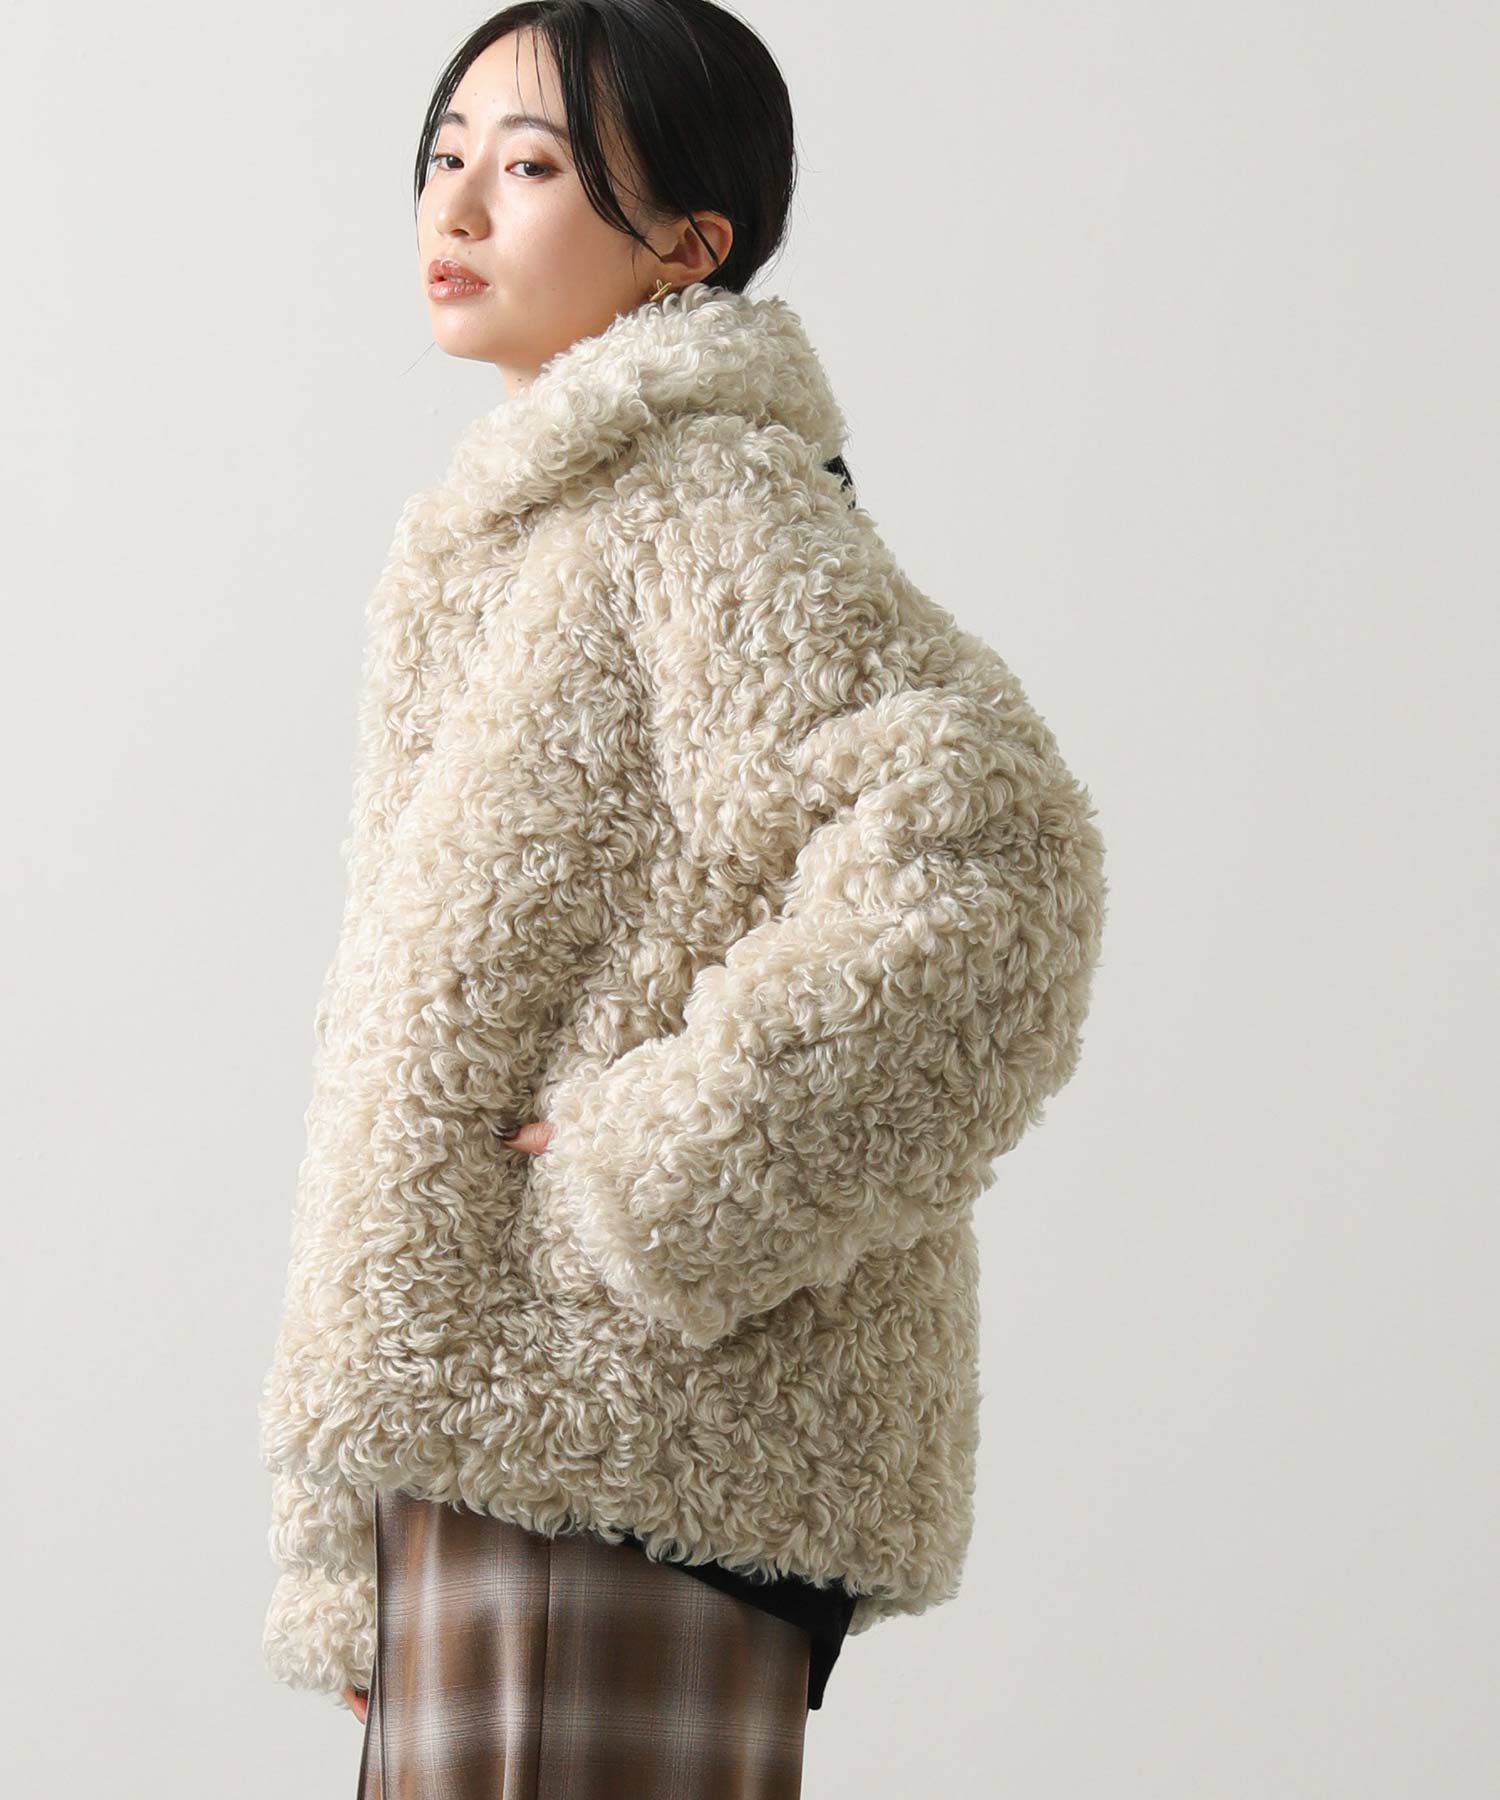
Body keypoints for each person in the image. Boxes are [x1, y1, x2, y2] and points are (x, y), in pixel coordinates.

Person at [258, 4, 1109, 1794]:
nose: (457, 208)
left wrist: (669, 1170)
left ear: (686, 243)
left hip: (617, 1449)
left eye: (532, 166)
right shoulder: (541, 532)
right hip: (507, 1461)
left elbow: (994, 858)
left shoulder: (699, 494)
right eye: (445, 157)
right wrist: (360, 1554)